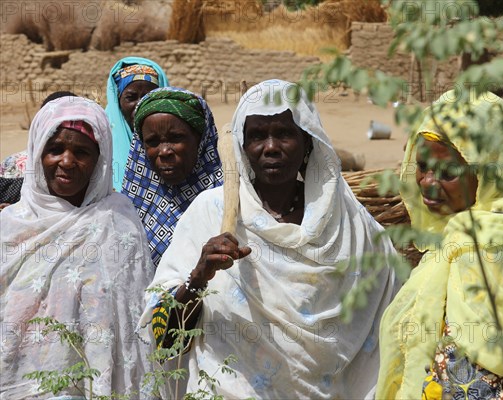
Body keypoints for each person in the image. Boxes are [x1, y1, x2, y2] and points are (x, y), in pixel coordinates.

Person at [137, 80, 398, 398]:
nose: (271, 146)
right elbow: (165, 338)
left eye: (285, 134)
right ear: (243, 146)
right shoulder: (209, 214)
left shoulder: (349, 223)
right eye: (258, 135)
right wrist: (199, 277)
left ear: (308, 142)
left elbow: (394, 315)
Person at [377, 91, 503, 399]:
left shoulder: (490, 244)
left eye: (447, 173)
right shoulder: (451, 242)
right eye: (422, 166)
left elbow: (489, 366)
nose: (427, 183)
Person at [0, 96, 155, 399]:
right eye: (55, 149)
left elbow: (134, 317)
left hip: (99, 386)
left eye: (81, 152)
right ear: (36, 153)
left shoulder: (119, 219)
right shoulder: (10, 225)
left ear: (101, 159)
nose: (67, 162)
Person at [121, 87, 223, 267]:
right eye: (153, 142)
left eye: (176, 138)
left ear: (200, 140)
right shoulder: (130, 209)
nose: (165, 151)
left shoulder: (226, 203)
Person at [105, 57, 169, 191]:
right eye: (131, 98)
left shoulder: (177, 137)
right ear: (118, 101)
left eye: (148, 97)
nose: (140, 105)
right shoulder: (101, 139)